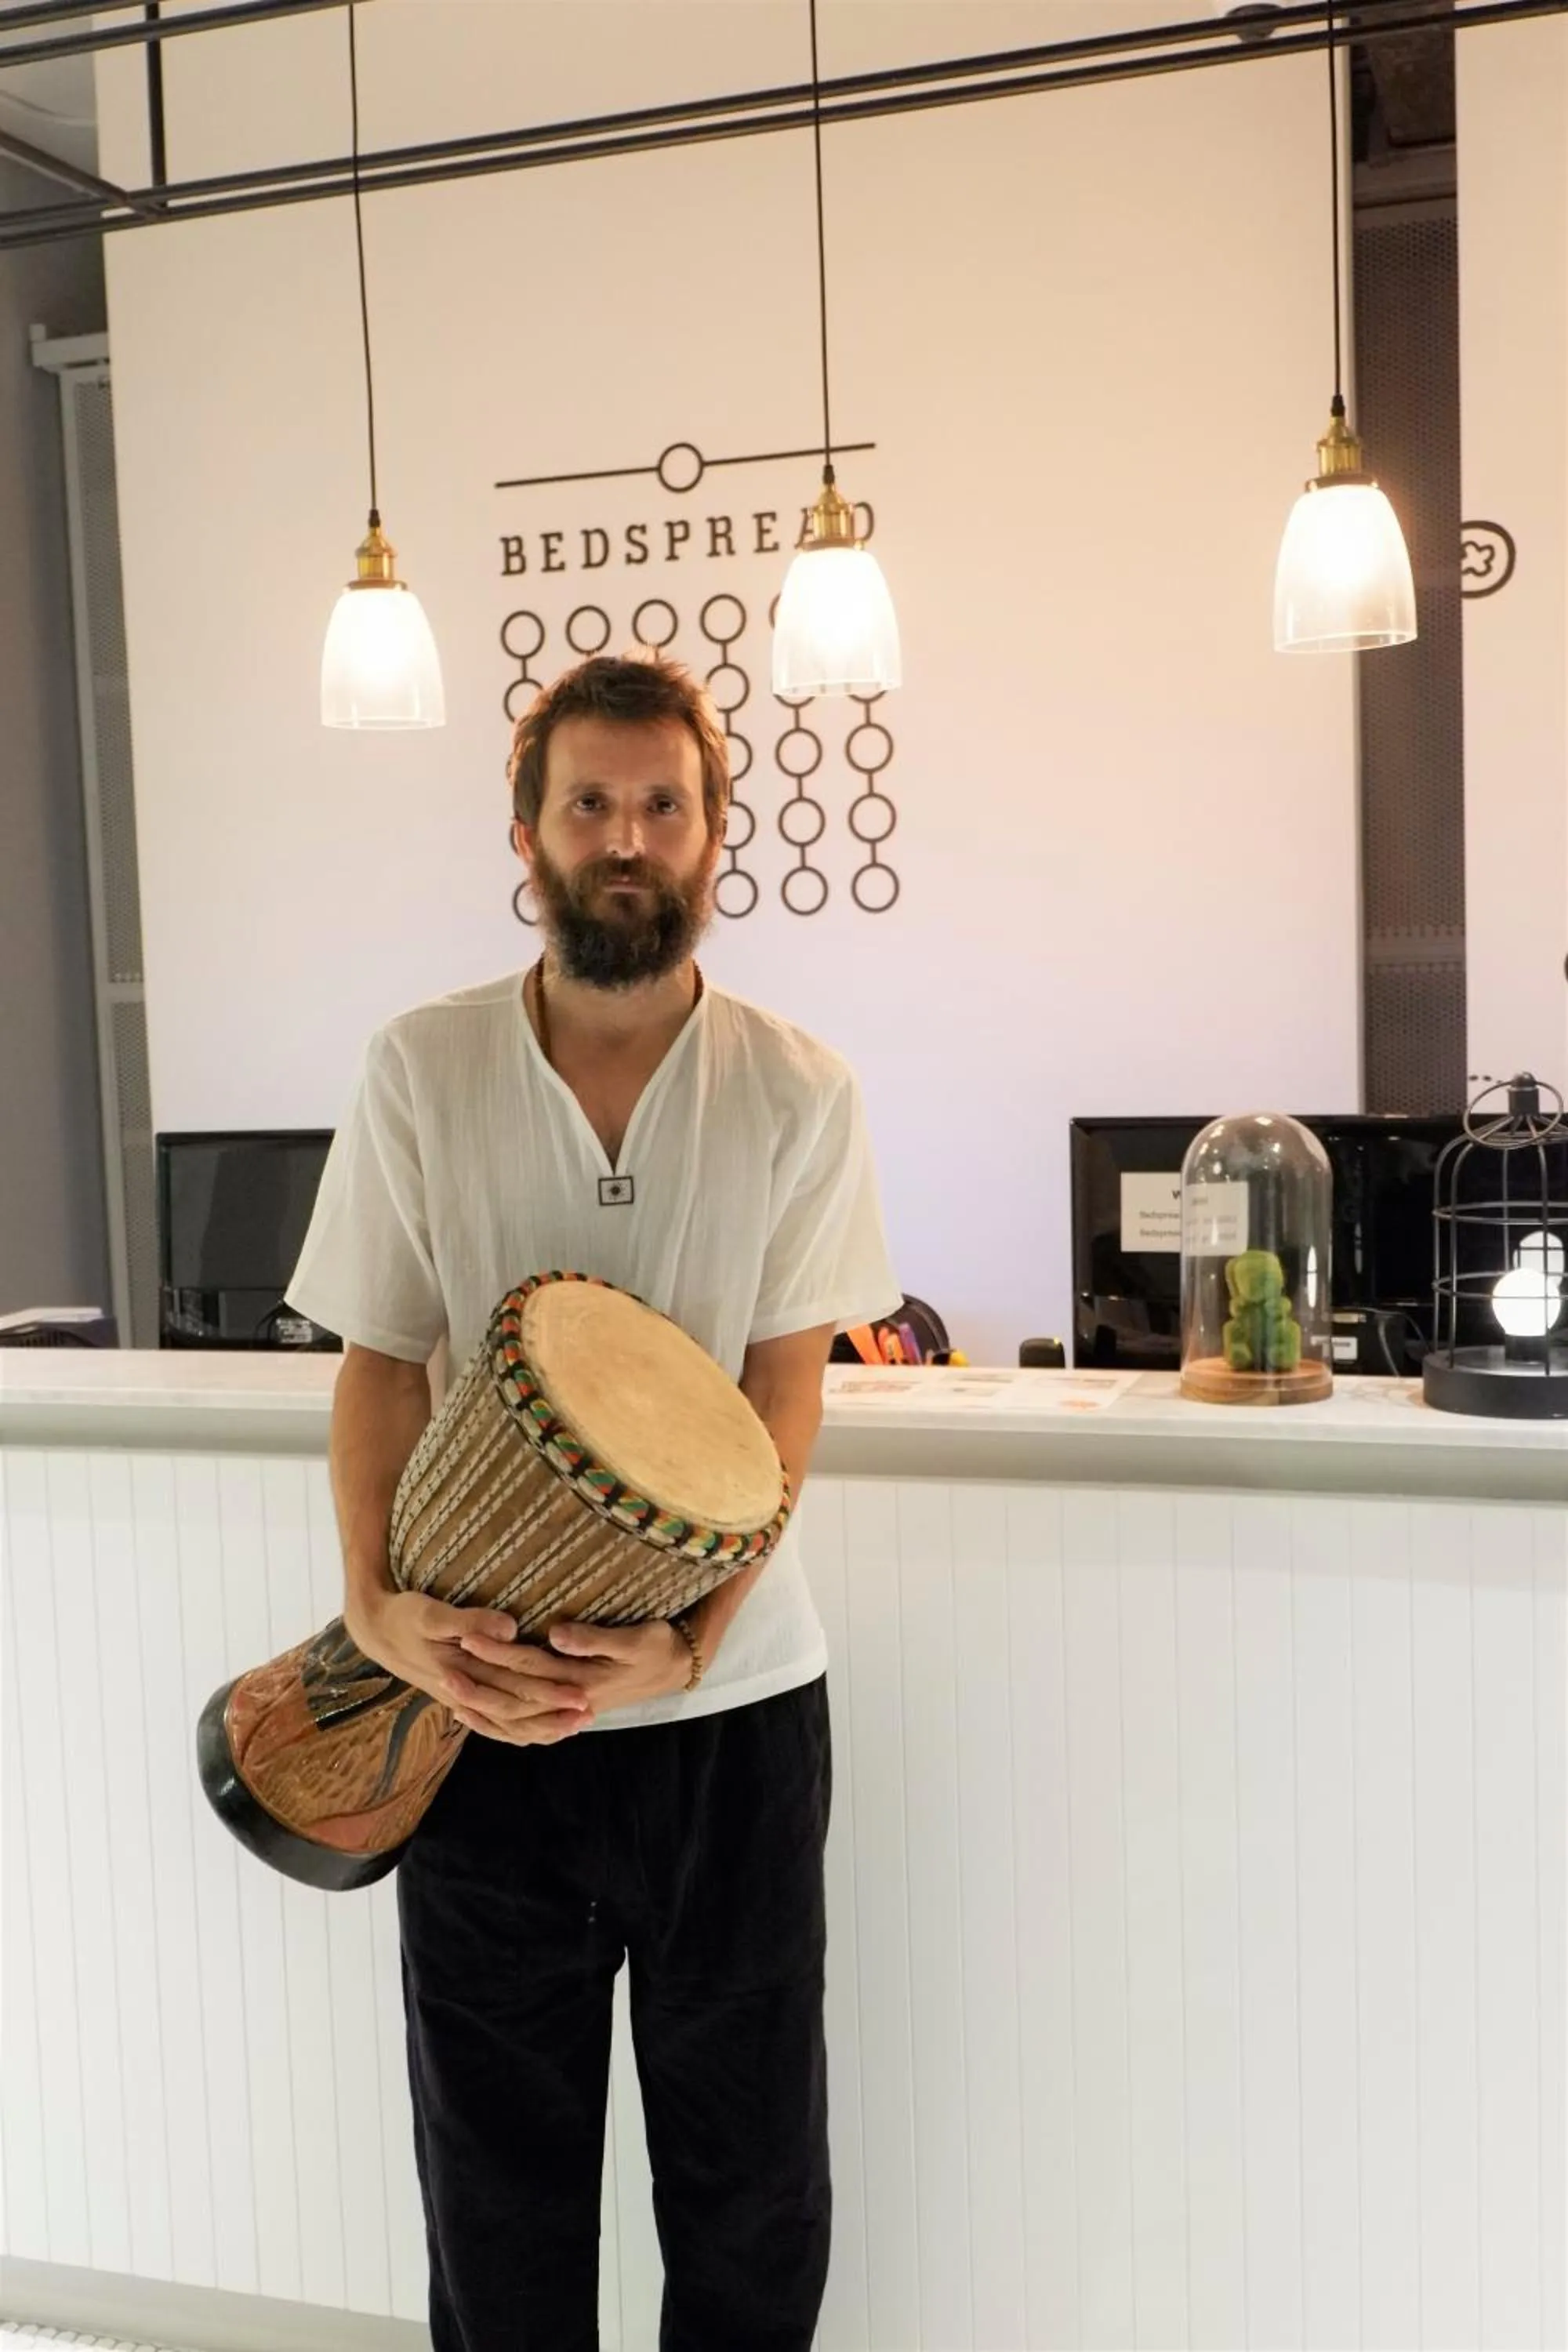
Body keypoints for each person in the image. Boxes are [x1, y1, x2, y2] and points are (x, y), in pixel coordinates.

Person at [284, 648, 900, 2352]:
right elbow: (381, 1363)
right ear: (528, 829)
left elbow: (789, 1381)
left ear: (715, 835)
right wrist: (375, 1610)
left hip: (734, 1719)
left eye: (660, 805)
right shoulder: (423, 1067)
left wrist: (690, 1640)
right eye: (590, 804)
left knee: (751, 2191)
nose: (624, 836)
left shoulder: (798, 1088)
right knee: (498, 2199)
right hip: (477, 1716)